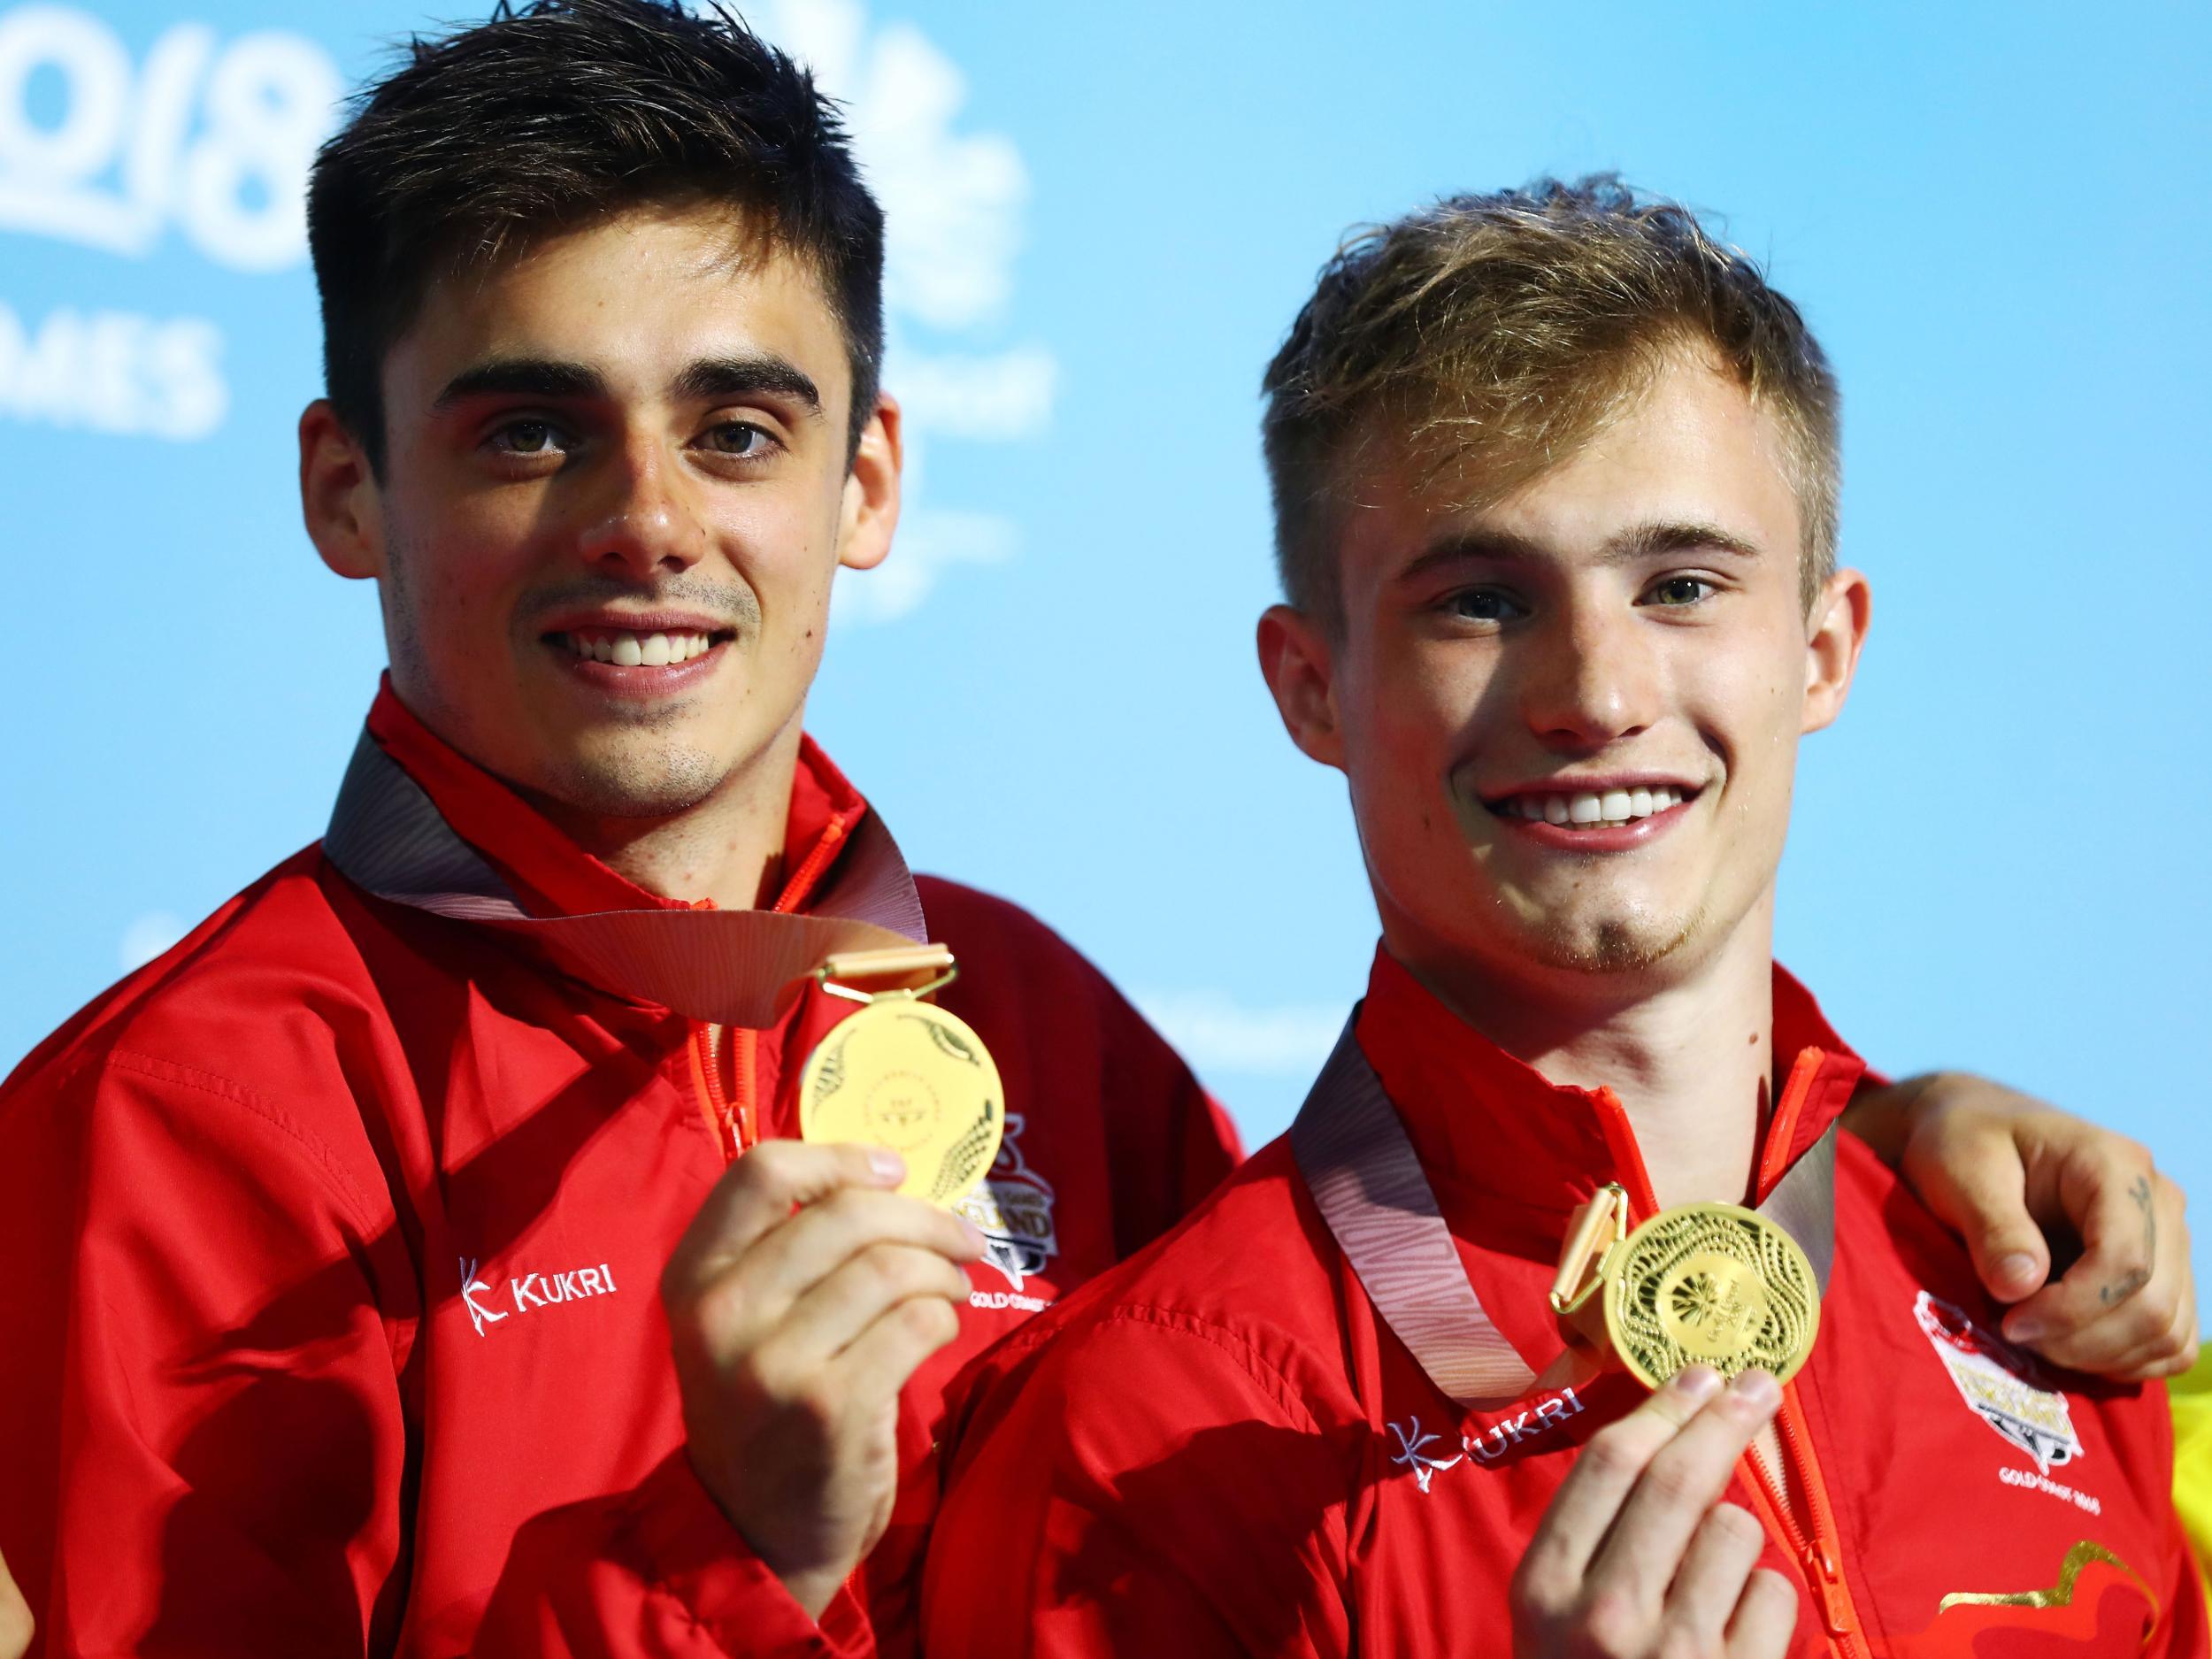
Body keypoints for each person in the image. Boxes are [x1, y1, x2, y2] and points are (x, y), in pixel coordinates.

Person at [0, 7, 2185, 1652]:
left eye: (735, 425)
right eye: (526, 435)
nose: (649, 523)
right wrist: (728, 1557)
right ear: (343, 489)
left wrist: (1861, 1146)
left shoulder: (1012, 1005)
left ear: (862, 484)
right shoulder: (168, 1131)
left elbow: (1479, 1215)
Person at [923, 178, 2205, 1658]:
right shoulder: (1149, 1423)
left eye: (1680, 584)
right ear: (1312, 688)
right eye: (1480, 601)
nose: (1596, 694)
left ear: (1823, 650)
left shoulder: (2037, 1289)